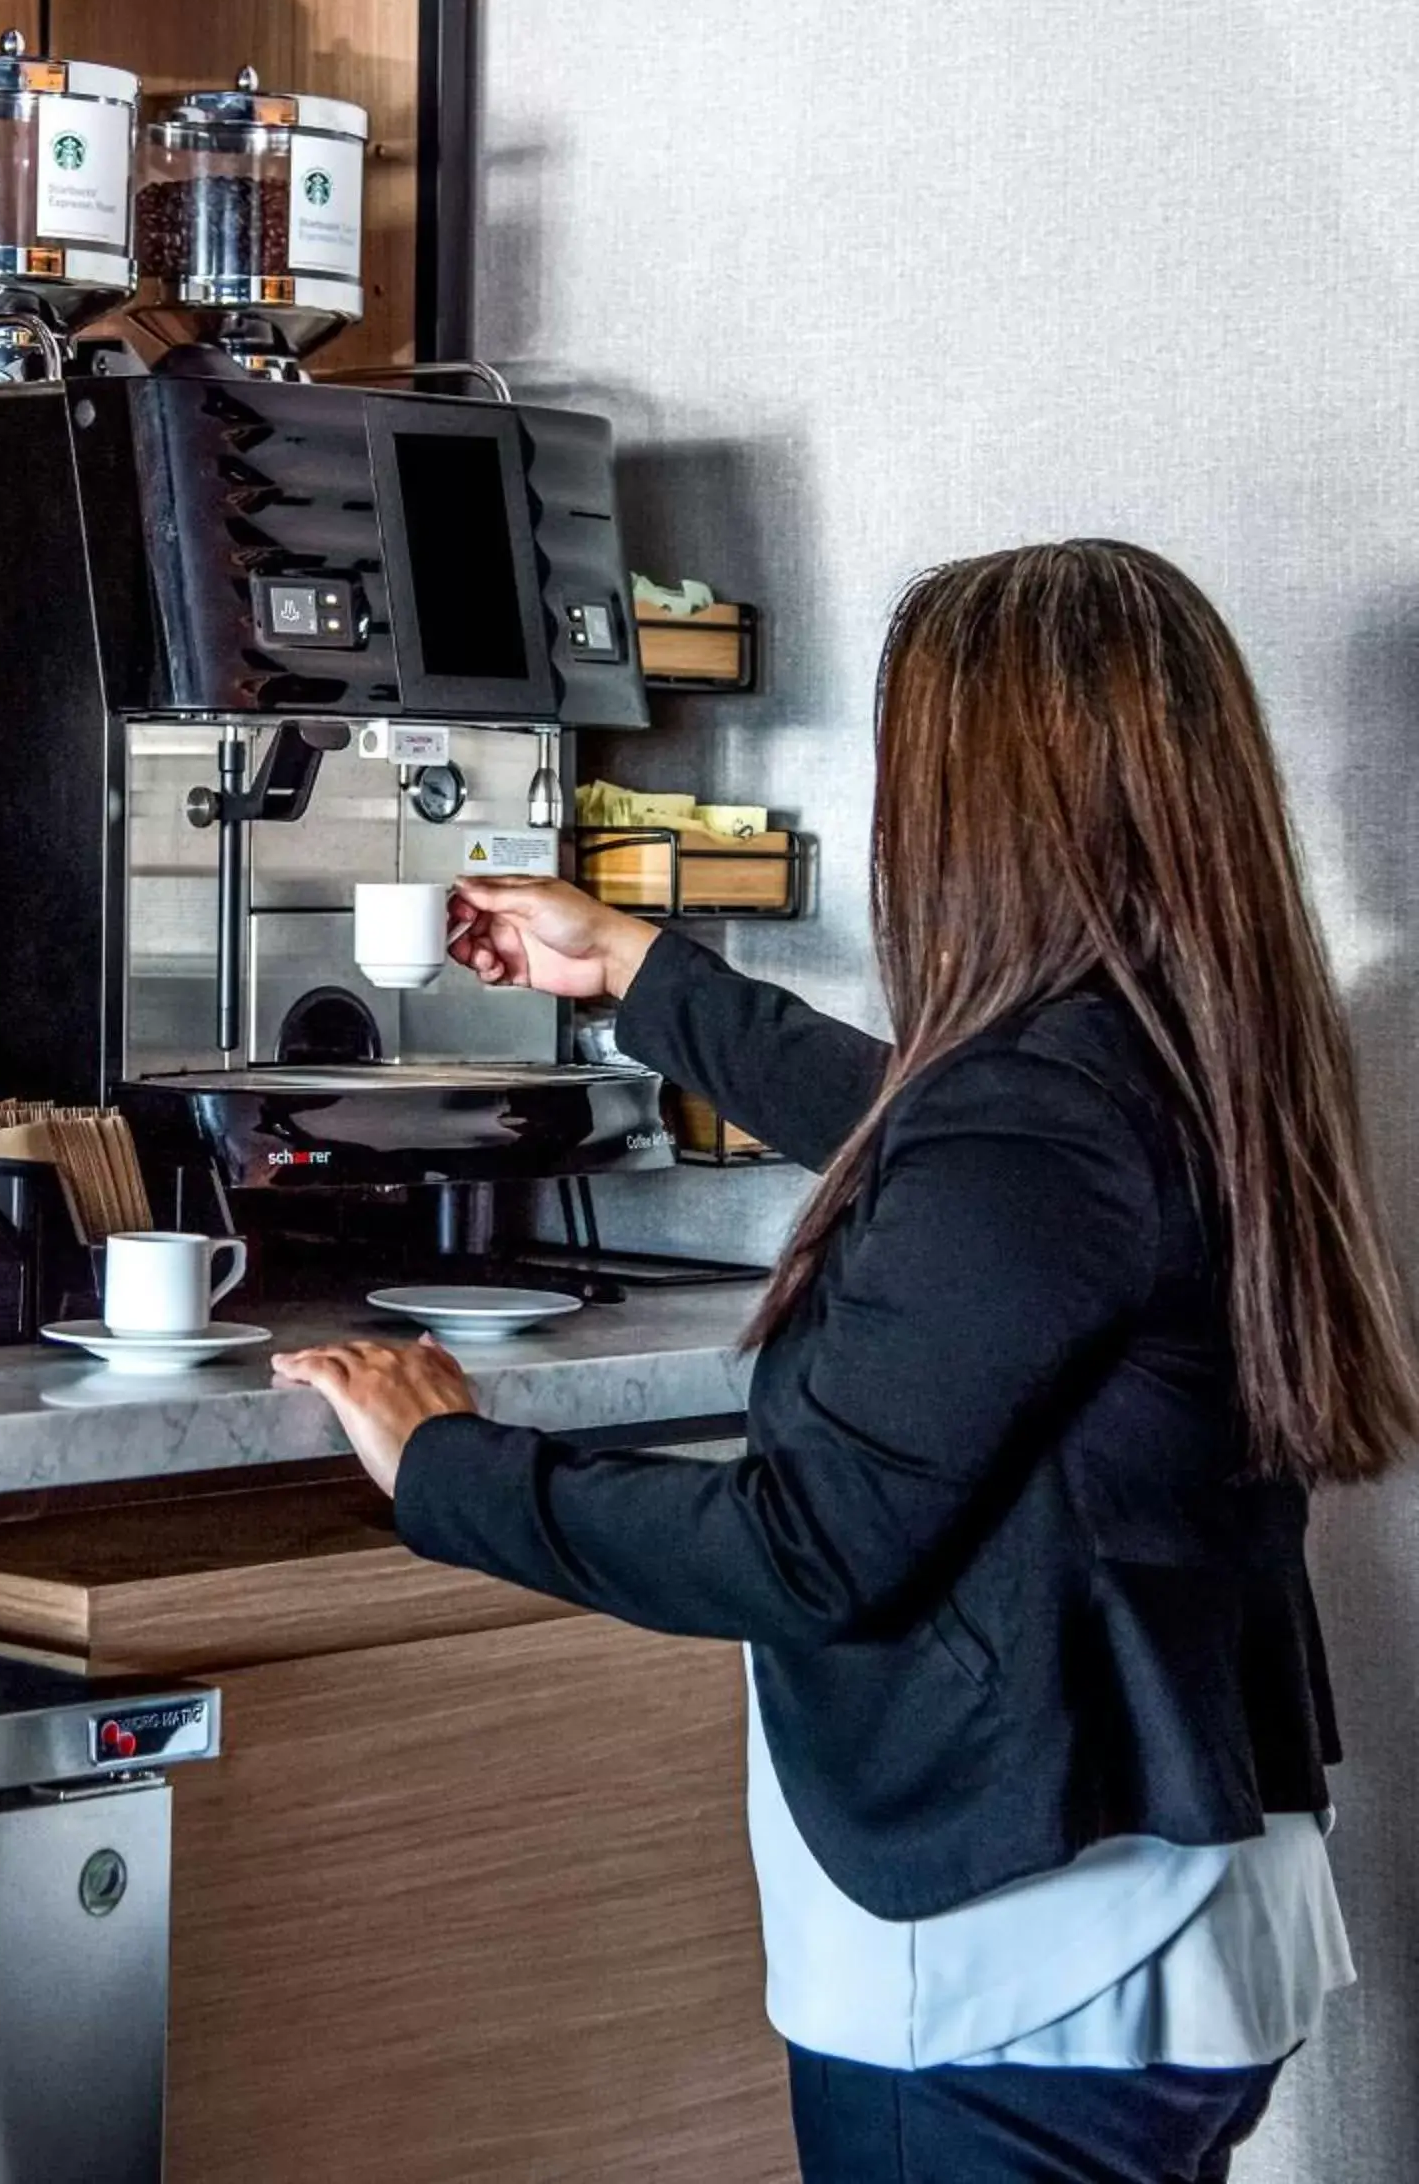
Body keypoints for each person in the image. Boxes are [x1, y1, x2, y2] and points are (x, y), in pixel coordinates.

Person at [274, 541, 1417, 2184]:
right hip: (1164, 1920)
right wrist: (641, 978)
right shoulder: (1186, 1050)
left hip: (1010, 1968)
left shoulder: (1038, 1122)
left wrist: (448, 1461)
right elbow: (955, 1154)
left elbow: (803, 1548)